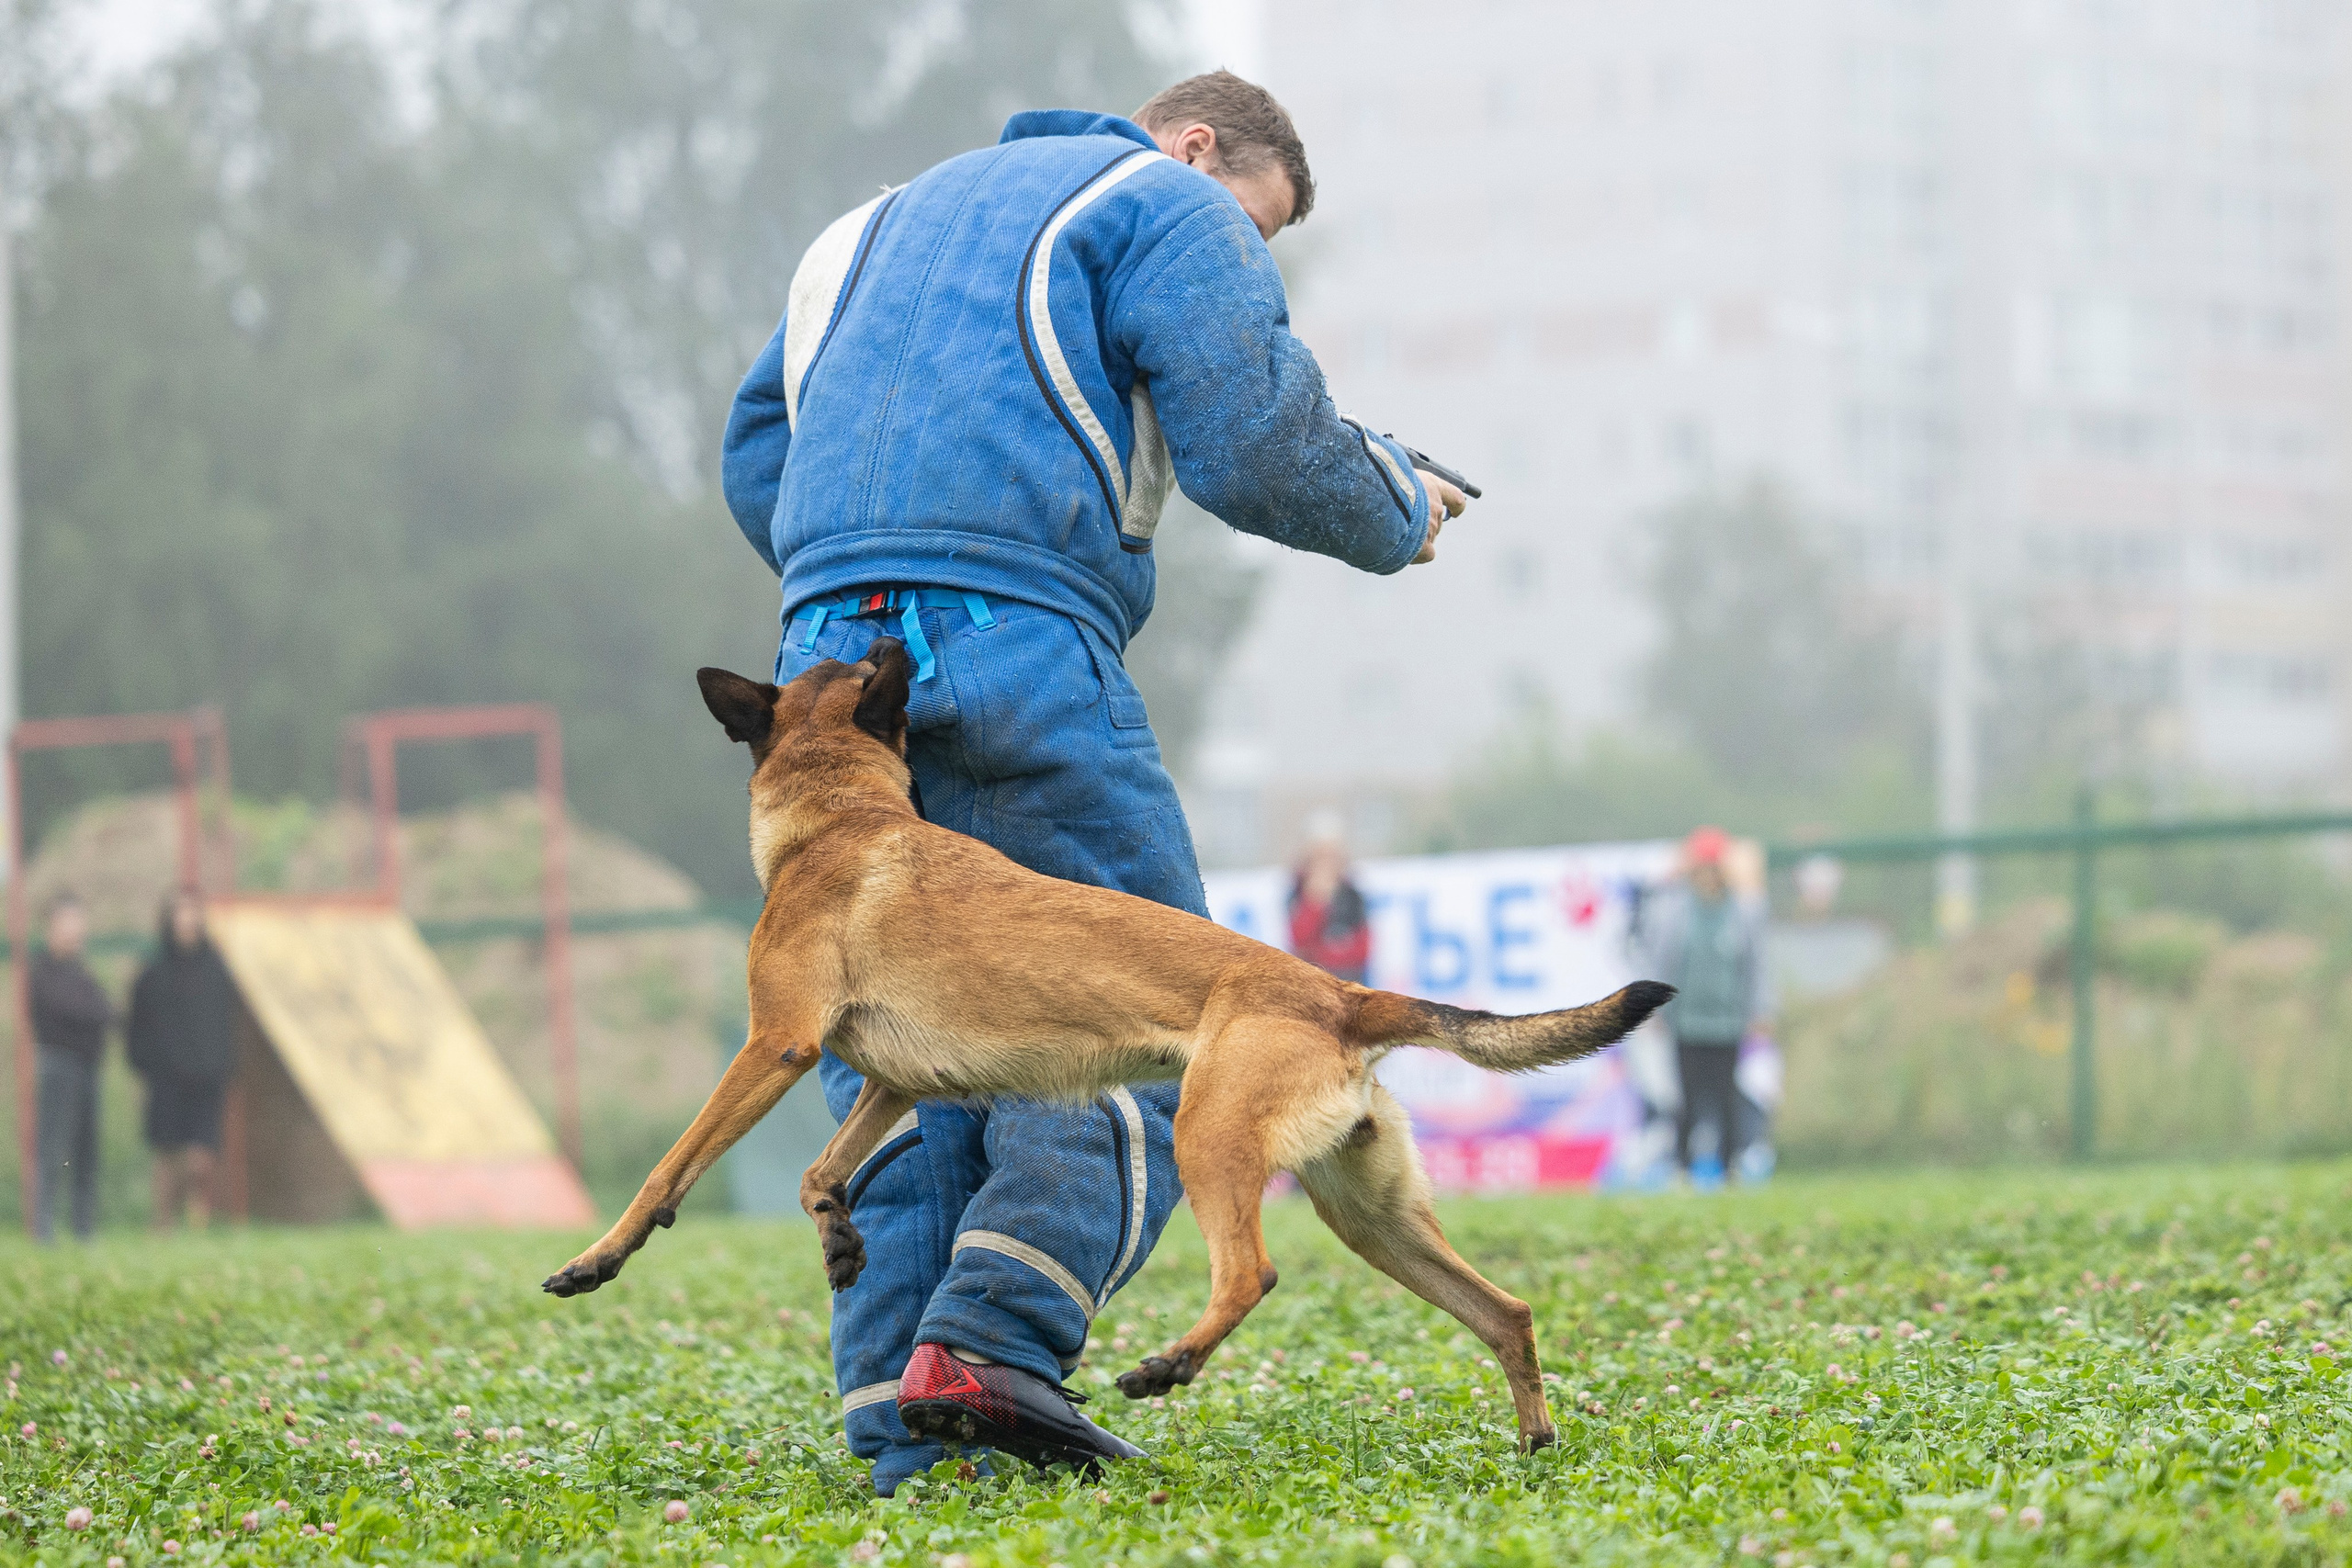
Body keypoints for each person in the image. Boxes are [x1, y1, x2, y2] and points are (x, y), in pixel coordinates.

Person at [722, 70, 1466, 1492]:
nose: (1251, 257)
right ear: (1195, 149)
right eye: (1261, 229)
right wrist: (1393, 501)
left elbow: (757, 450)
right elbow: (1257, 439)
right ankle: (994, 1345)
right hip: (1018, 641)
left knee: (900, 1034)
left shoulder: (859, 231)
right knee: (1154, 1012)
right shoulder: (1157, 200)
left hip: (830, 667)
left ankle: (903, 1428)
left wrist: (871, 576)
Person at [1638, 828, 1771, 1185]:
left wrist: (1760, 1011)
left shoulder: (1742, 913)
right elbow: (1660, 961)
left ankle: (1730, 1168)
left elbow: (1755, 966)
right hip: (1686, 1022)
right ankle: (1681, 1168)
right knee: (1686, 1099)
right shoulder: (1674, 913)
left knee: (1727, 1098)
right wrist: (1654, 1009)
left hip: (1728, 1022)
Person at [127, 890, 241, 1231]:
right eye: (180, 912)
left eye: (193, 912)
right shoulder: (152, 972)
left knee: (200, 1160)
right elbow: (137, 1026)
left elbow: (229, 1023)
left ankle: (198, 1218)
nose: (187, 920)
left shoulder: (218, 970)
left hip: (208, 1077)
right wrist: (144, 1065)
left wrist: (225, 1064)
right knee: (167, 1155)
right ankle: (163, 1222)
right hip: (166, 1078)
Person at [30, 892, 114, 1242]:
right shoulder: (43, 970)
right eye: (68, 922)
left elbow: (106, 1011)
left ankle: (83, 1228)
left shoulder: (81, 972)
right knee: (53, 1148)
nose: (75, 930)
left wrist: (94, 1014)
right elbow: (76, 1012)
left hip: (87, 1067)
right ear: (52, 926)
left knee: (86, 1150)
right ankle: (44, 1228)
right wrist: (93, 1014)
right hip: (58, 1066)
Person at [1287, 816, 1371, 983]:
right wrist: (1315, 902)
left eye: (1331, 855)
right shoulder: (1297, 893)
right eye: (1321, 855)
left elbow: (1363, 949)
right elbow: (1299, 944)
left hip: (1349, 982)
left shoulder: (1352, 894)